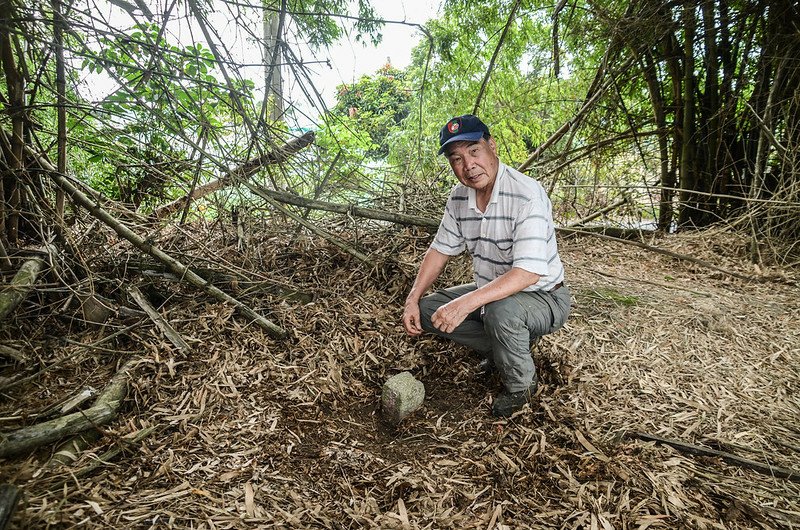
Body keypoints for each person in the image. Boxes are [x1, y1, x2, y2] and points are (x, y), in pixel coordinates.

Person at [402, 114, 571, 417]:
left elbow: (527, 274)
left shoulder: (525, 194)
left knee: (498, 311)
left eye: (474, 151)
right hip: (491, 291)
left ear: (492, 147)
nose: (468, 165)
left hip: (545, 296)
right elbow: (439, 250)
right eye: (457, 158)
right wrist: (412, 299)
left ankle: (522, 388)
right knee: (429, 310)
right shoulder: (458, 197)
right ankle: (506, 348)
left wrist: (463, 305)